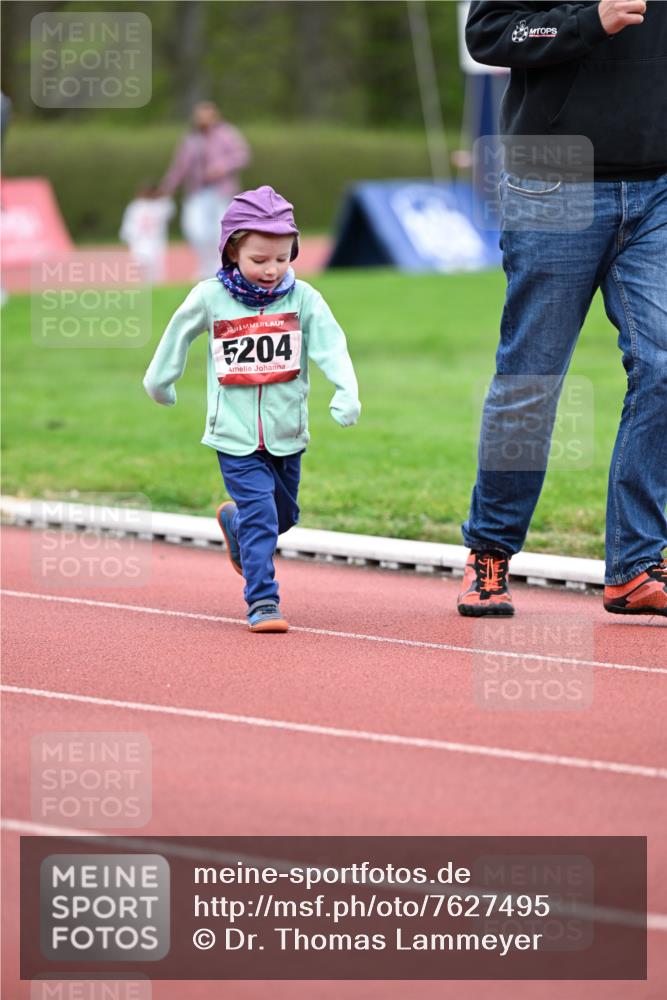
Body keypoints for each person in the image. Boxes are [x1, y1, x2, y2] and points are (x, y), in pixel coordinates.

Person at [456, 0, 667, 619]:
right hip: (554, 177)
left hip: (658, 185)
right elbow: (487, 33)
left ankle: (636, 564)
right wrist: (585, 22)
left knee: (663, 369)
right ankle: (490, 550)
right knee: (533, 377)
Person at [143, 186, 361, 632]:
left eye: (282, 259)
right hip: (234, 435)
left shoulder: (304, 300)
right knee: (264, 517)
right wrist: (160, 380)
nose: (272, 270)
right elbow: (177, 334)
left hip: (287, 433)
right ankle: (263, 600)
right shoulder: (210, 298)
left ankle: (233, 522)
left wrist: (346, 390)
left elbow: (332, 346)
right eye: (260, 260)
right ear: (231, 252)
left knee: (283, 517)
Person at [159, 101, 250, 279]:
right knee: (194, 229)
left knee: (220, 231)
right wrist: (167, 187)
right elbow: (180, 166)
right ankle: (206, 264)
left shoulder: (226, 133)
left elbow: (242, 155)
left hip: (221, 191)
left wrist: (221, 166)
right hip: (197, 191)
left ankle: (220, 266)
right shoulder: (191, 139)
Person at [119, 181, 175, 284]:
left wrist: (127, 238)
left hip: (145, 243)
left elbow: (128, 228)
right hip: (148, 243)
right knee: (153, 273)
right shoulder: (160, 206)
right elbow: (169, 206)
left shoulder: (135, 206)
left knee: (147, 271)